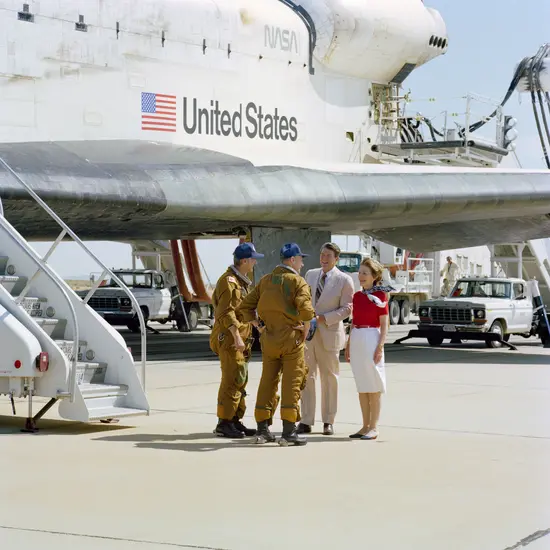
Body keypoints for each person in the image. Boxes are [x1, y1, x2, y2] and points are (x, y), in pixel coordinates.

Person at [237, 243, 316, 446]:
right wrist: (305, 331)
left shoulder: (266, 281)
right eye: (300, 259)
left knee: (267, 382)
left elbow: (245, 307)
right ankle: (289, 433)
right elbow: (307, 313)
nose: (302, 262)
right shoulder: (297, 282)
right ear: (292, 260)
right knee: (292, 383)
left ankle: (262, 431)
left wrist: (259, 326)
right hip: (291, 339)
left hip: (269, 339)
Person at [298, 242, 354, 436]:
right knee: (307, 376)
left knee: (330, 379)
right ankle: (306, 420)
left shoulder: (344, 280)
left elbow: (347, 309)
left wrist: (322, 318)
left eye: (328, 255)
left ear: (336, 258)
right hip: (309, 335)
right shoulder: (310, 275)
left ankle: (328, 420)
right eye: (322, 254)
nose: (324, 258)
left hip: (329, 333)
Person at [210, 242, 265, 438]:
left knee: (240, 379)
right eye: (253, 260)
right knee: (232, 379)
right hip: (231, 340)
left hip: (242, 339)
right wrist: (236, 336)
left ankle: (234, 419)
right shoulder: (229, 282)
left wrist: (257, 326)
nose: (254, 264)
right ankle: (224, 422)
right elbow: (226, 313)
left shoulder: (241, 282)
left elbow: (243, 310)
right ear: (244, 261)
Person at [345, 258, 390, 440]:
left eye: (365, 273)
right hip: (357, 337)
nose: (361, 276)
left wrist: (380, 347)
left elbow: (384, 325)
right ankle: (364, 426)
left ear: (374, 276)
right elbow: (354, 321)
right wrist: (348, 344)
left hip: (372, 338)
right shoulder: (357, 296)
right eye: (360, 272)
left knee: (373, 385)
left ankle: (374, 427)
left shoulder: (380, 297)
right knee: (362, 386)